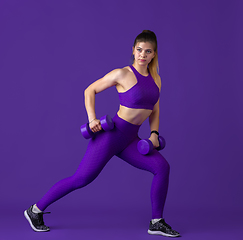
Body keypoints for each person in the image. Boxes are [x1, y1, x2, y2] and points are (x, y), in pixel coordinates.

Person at [24, 30, 180, 237]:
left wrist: (153, 133)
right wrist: (92, 119)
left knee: (162, 167)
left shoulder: (156, 79)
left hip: (131, 139)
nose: (143, 54)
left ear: (153, 54)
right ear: (133, 51)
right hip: (112, 135)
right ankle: (35, 210)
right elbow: (90, 90)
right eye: (139, 50)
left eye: (148, 51)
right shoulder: (122, 74)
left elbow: (155, 109)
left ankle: (156, 222)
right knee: (82, 179)